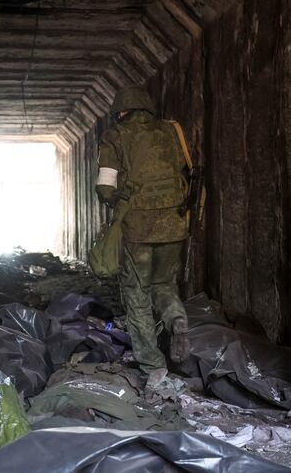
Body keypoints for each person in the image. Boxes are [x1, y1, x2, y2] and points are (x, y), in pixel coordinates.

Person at [95, 86, 191, 393]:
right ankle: (177, 320)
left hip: (139, 227)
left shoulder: (115, 136)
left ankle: (153, 364)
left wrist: (116, 202)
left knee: (137, 292)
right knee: (164, 284)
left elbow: (106, 186)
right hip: (174, 224)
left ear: (121, 111)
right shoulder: (171, 131)